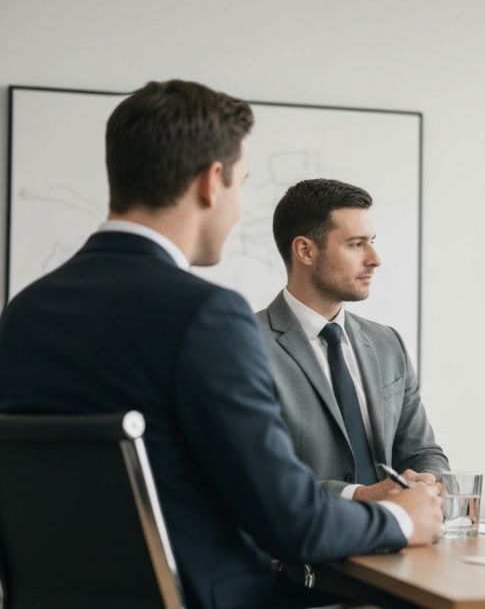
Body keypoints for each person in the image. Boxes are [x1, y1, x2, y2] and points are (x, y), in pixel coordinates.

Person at [0, 80, 443, 608]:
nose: (237, 208)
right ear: (212, 182)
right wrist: (402, 516)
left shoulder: (23, 314)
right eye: (241, 184)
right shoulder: (206, 316)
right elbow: (292, 523)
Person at [257, 178, 449, 501]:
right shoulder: (248, 345)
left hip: (397, 541)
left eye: (372, 241)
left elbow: (423, 452)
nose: (375, 258)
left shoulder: (388, 344)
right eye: (356, 244)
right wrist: (358, 495)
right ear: (305, 250)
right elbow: (259, 476)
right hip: (300, 548)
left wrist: (426, 481)